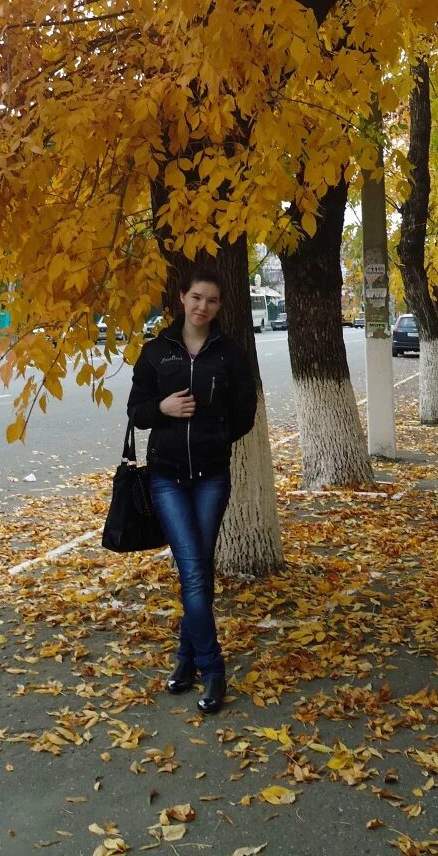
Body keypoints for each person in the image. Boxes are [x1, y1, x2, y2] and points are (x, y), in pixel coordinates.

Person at [126, 267, 257, 714]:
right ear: (182, 298)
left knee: (197, 571)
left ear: (220, 307)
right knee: (194, 573)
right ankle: (213, 669)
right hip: (166, 478)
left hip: (211, 478)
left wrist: (215, 435)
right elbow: (137, 412)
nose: (203, 307)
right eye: (197, 298)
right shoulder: (156, 352)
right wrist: (162, 408)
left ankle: (185, 661)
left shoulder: (230, 355)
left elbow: (245, 413)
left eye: (213, 301)